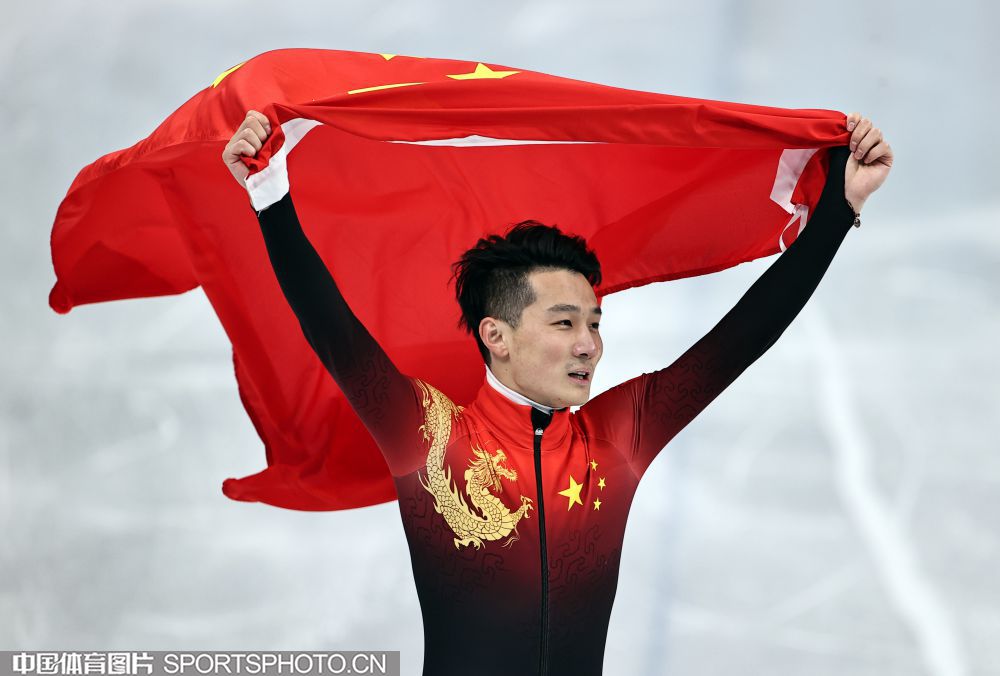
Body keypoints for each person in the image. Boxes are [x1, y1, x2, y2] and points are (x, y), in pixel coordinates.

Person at [223, 109, 892, 676]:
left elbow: (738, 341)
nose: (589, 345)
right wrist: (270, 194)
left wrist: (839, 210)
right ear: (497, 335)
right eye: (565, 323)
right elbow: (334, 332)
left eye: (595, 323)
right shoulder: (431, 437)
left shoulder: (617, 435)